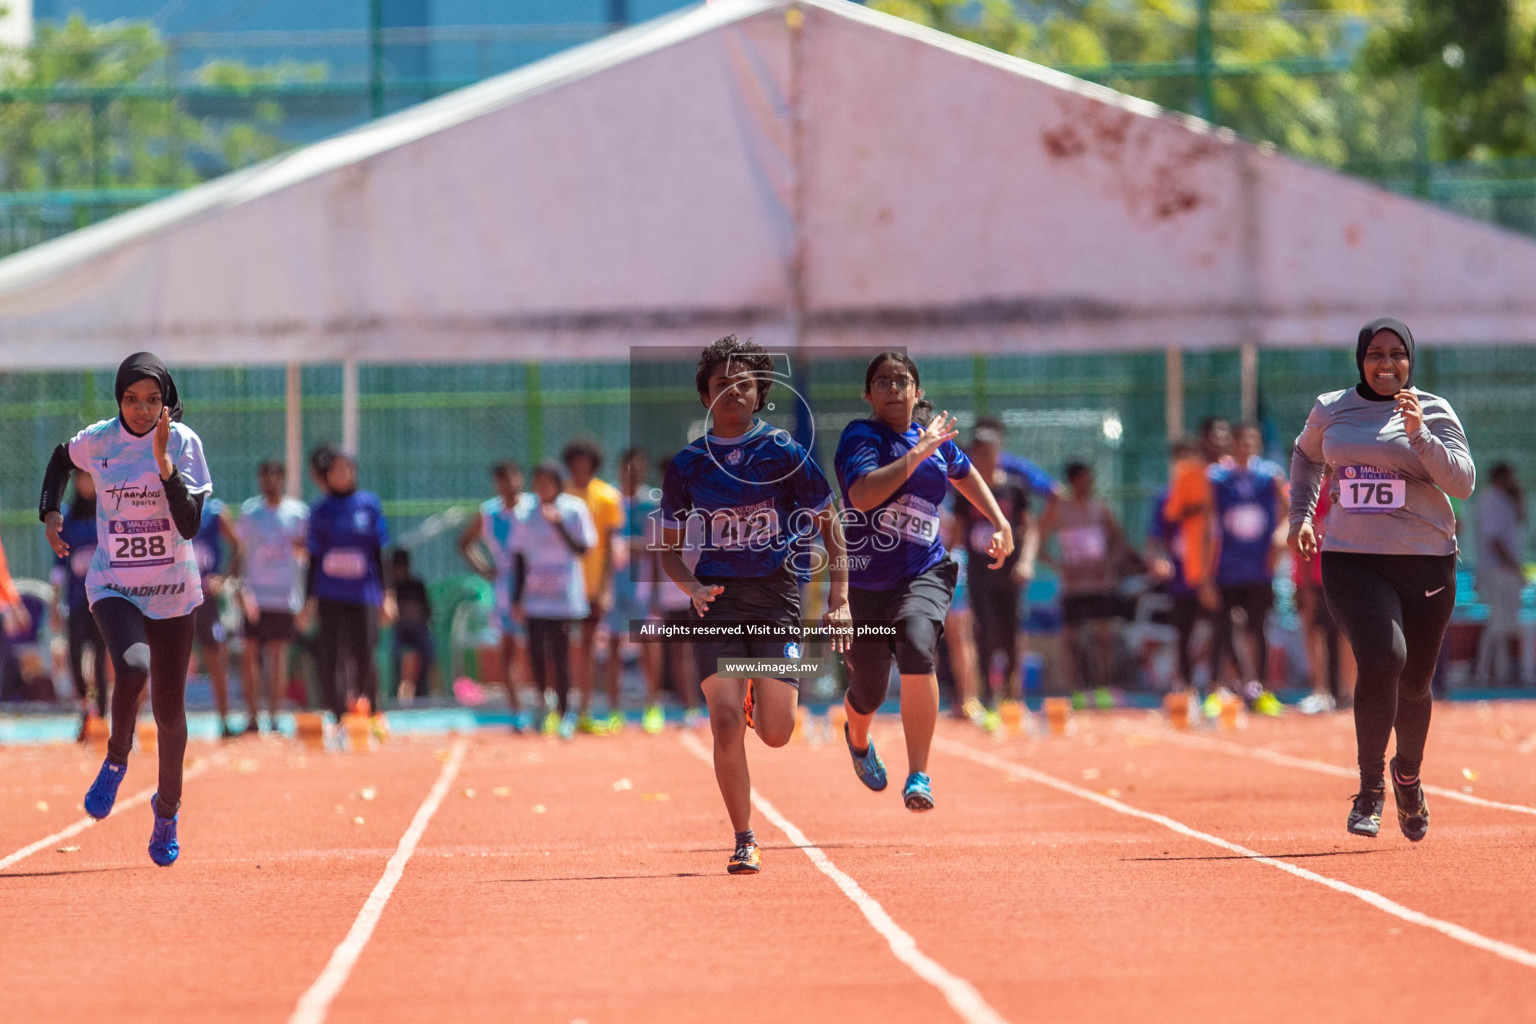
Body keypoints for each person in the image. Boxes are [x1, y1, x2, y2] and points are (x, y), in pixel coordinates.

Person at [658, 335, 851, 874]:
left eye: (744, 383)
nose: (733, 392)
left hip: (775, 600)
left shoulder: (785, 453)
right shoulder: (688, 466)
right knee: (722, 724)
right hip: (717, 600)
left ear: (761, 392)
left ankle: (755, 700)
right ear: (705, 397)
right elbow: (670, 555)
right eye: (722, 384)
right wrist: (691, 587)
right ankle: (744, 837)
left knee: (775, 732)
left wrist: (840, 598)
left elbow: (831, 528)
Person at [1289, 317, 1474, 841]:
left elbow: (1461, 482)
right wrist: (1301, 516)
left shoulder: (1433, 411)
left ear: (1410, 361)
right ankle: (1370, 789)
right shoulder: (1331, 409)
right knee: (1381, 656)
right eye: (1375, 354)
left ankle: (1407, 776)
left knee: (1415, 683)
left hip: (1426, 560)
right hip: (1352, 557)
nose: (1386, 363)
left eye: (1397, 354)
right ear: (1360, 360)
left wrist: (1418, 435)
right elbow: (1305, 459)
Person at [39, 352, 213, 866]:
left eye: (152, 400)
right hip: (114, 584)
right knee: (132, 668)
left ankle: (167, 812)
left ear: (166, 402)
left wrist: (163, 466)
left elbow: (189, 525)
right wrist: (50, 511)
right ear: (119, 399)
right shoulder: (99, 439)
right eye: (131, 399)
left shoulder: (184, 444)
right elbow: (58, 459)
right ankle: (116, 759)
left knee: (170, 714)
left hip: (174, 591)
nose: (141, 409)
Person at [835, 352, 1013, 807]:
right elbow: (863, 495)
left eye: (902, 381)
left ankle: (919, 775)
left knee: (918, 641)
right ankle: (857, 739)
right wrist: (918, 454)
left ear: (917, 392)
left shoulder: (933, 439)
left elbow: (964, 472)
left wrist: (997, 519)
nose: (893, 389)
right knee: (870, 690)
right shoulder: (861, 436)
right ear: (868, 394)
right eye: (883, 382)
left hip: (925, 570)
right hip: (867, 582)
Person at [300, 446, 395, 733]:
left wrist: (387, 595)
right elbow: (313, 558)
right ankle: (338, 715)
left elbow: (380, 553)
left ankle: (372, 709)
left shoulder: (369, 505)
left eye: (347, 469)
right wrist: (309, 600)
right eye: (336, 470)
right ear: (327, 476)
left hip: (362, 593)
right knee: (330, 655)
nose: (342, 474)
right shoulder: (319, 510)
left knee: (365, 650)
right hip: (330, 593)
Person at [949, 422, 1034, 728]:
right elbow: (957, 535)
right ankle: (986, 696)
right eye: (977, 452)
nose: (982, 457)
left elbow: (1030, 528)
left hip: (1010, 575)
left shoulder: (1014, 489)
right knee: (983, 632)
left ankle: (1011, 697)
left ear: (998, 453)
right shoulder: (965, 491)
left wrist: (1026, 561)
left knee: (1010, 634)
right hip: (979, 574)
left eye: (988, 451)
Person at [511, 462, 596, 741]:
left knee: (560, 655)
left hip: (564, 599)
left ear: (558, 484)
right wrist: (517, 598)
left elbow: (582, 548)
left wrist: (559, 525)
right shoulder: (525, 513)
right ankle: (540, 704)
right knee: (535, 653)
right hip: (535, 599)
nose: (542, 487)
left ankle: (564, 714)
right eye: (538, 482)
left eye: (548, 482)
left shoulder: (573, 509)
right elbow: (520, 558)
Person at [1208, 422, 1287, 715]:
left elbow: (1287, 514)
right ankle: (1218, 690)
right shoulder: (1217, 478)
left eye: (1251, 442)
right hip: (1227, 567)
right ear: (1233, 446)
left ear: (1258, 446)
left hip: (1259, 567)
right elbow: (1210, 523)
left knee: (1259, 628)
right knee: (1223, 628)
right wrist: (1207, 572)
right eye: (1241, 442)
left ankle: (1262, 690)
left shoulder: (1270, 477)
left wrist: (1279, 542)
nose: (1245, 447)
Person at [1042, 462, 1129, 699]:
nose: (1088, 483)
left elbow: (1120, 542)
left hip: (1101, 584)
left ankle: (1105, 688)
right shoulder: (1059, 510)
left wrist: (1109, 564)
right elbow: (1039, 545)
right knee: (1072, 639)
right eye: (1083, 479)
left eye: (1090, 478)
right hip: (1074, 587)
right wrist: (1060, 567)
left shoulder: (1101, 508)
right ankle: (1076, 692)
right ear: (1073, 481)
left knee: (1105, 637)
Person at [458, 461, 534, 730]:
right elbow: (464, 543)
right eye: (501, 479)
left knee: (542, 647)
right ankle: (518, 712)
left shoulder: (533, 508)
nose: (507, 483)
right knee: (509, 649)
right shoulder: (488, 513)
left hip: (538, 586)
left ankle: (546, 707)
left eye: (511, 476)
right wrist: (485, 569)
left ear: (520, 477)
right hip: (505, 587)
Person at [235, 459, 308, 733]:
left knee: (278, 656)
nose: (269, 481)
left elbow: (304, 553)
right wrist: (241, 589)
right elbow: (241, 551)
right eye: (264, 476)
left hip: (284, 594)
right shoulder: (250, 513)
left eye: (275, 476)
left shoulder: (298, 513)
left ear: (283, 478)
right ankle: (252, 716)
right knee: (250, 655)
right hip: (255, 593)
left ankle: (275, 715)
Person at [564, 439, 625, 734]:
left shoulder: (607, 496)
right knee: (562, 650)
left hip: (593, 586)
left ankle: (584, 710)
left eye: (586, 461)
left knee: (587, 648)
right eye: (576, 461)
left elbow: (611, 546)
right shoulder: (560, 495)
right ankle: (562, 710)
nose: (580, 466)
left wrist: (604, 588)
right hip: (562, 588)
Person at [608, 448, 667, 733]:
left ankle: (652, 707)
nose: (634, 472)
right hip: (612, 584)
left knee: (649, 645)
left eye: (639, 467)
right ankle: (614, 711)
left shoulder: (653, 502)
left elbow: (658, 547)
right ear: (620, 469)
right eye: (629, 467)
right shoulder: (611, 501)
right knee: (611, 645)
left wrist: (630, 546)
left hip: (642, 586)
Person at [50, 469, 108, 737]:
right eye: (81, 478)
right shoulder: (67, 517)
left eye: (90, 478)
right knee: (75, 656)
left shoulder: (107, 512)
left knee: (101, 657)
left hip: (106, 599)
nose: (86, 484)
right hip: (76, 601)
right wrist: (54, 604)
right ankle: (85, 709)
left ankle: (103, 716)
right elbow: (59, 566)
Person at [1294, 471, 1357, 714]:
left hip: (1349, 575)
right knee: (1319, 632)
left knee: (1346, 634)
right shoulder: (1316, 492)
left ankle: (1348, 690)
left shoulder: (1355, 489)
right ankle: (1321, 691)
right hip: (1321, 575)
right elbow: (1308, 538)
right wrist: (1306, 583)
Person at [1146, 439, 1204, 694]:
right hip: (1181, 574)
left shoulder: (1210, 491)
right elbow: (1155, 537)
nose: (1186, 465)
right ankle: (1186, 685)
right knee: (1184, 631)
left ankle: (1226, 685)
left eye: (1191, 458)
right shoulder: (1165, 497)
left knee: (1225, 628)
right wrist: (1158, 559)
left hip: (1211, 573)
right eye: (1181, 459)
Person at [191, 495, 243, 737]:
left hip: (206, 599)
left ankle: (224, 722)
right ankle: (144, 727)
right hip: (174, 597)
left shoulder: (214, 511)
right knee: (165, 661)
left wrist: (223, 580)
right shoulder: (164, 505)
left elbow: (238, 547)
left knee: (215, 658)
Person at [1474, 463, 1526, 686]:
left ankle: (1500, 672)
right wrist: (1513, 567)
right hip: (1497, 571)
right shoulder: (1490, 500)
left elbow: (1521, 525)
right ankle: (1484, 672)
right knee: (1498, 625)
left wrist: (1518, 500)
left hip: (1507, 570)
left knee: (1503, 625)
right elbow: (1494, 540)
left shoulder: (1506, 500)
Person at [391, 549, 435, 704]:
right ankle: (392, 688)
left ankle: (422, 689)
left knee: (427, 649)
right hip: (398, 631)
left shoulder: (417, 585)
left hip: (418, 630)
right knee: (392, 652)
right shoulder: (391, 588)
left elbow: (427, 610)